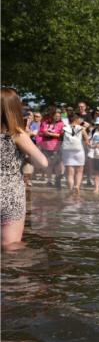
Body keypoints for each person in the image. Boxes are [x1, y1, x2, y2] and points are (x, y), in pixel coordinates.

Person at [1, 88, 48, 250]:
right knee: (12, 246)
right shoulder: (17, 134)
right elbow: (43, 162)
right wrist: (25, 154)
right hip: (10, 196)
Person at [59, 112, 87, 194]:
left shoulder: (64, 127)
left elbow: (60, 138)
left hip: (67, 151)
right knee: (79, 171)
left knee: (70, 173)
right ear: (76, 119)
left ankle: (71, 189)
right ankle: (76, 186)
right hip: (79, 151)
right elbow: (86, 139)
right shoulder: (81, 128)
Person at [37, 106, 64, 187]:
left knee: (57, 164)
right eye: (56, 116)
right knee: (48, 164)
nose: (57, 117)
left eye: (59, 116)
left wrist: (51, 134)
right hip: (45, 146)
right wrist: (44, 133)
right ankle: (49, 180)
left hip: (56, 146)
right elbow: (40, 133)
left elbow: (62, 135)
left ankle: (58, 179)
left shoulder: (61, 124)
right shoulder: (45, 122)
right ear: (52, 116)